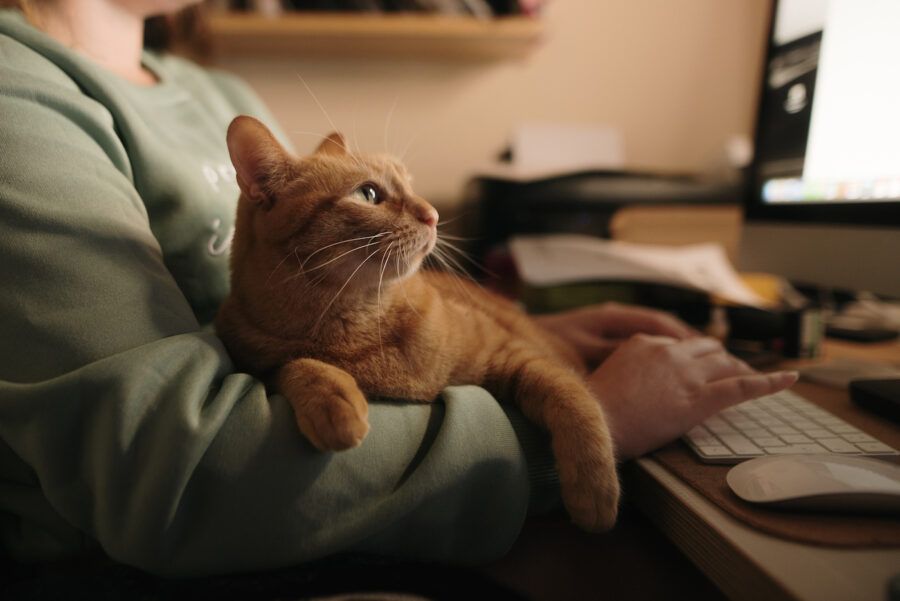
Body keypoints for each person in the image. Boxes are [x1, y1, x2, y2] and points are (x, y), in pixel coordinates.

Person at [0, 0, 796, 579]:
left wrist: (522, 333)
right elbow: (171, 478)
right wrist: (588, 425)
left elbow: (345, 283)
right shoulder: (18, 95)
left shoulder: (218, 93)